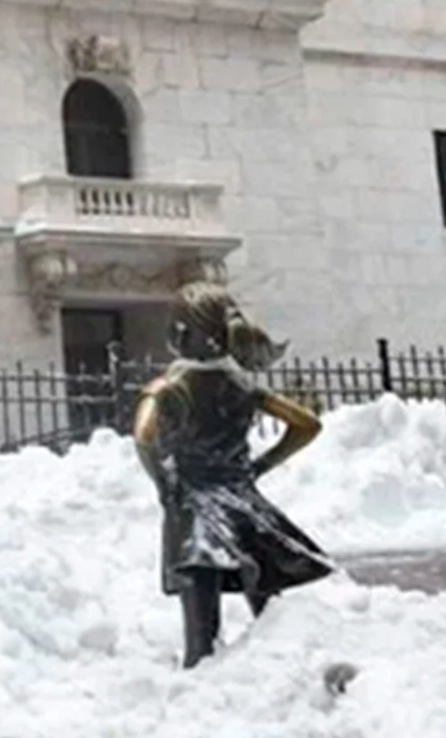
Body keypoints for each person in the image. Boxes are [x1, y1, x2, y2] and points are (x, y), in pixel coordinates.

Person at [131, 281, 334, 669]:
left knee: (200, 604)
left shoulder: (167, 388)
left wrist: (164, 483)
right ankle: (289, 665)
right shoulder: (242, 386)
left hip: (193, 505)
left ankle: (202, 672)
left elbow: (143, 438)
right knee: (270, 605)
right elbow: (307, 424)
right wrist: (261, 465)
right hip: (244, 502)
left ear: (178, 335)